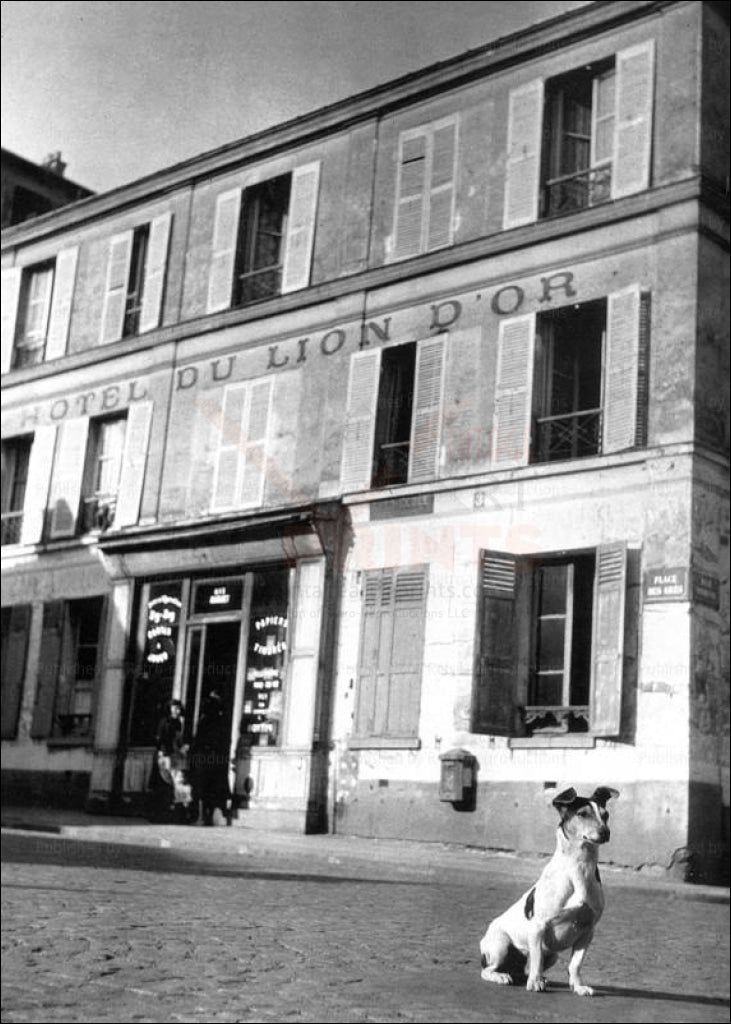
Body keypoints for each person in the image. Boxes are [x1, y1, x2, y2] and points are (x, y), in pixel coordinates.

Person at [190, 690, 232, 826]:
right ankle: (211, 815)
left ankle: (202, 817)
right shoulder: (220, 720)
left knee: (202, 787)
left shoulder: (204, 720)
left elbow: (198, 740)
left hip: (203, 757)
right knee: (212, 787)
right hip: (216, 757)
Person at [151, 699, 193, 822]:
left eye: (179, 708)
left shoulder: (177, 722)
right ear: (170, 709)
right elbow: (160, 739)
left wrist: (182, 747)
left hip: (174, 755)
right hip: (168, 755)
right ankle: (175, 811)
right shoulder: (166, 722)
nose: (177, 711)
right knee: (173, 781)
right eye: (175, 708)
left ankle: (178, 811)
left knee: (177, 781)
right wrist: (165, 752)